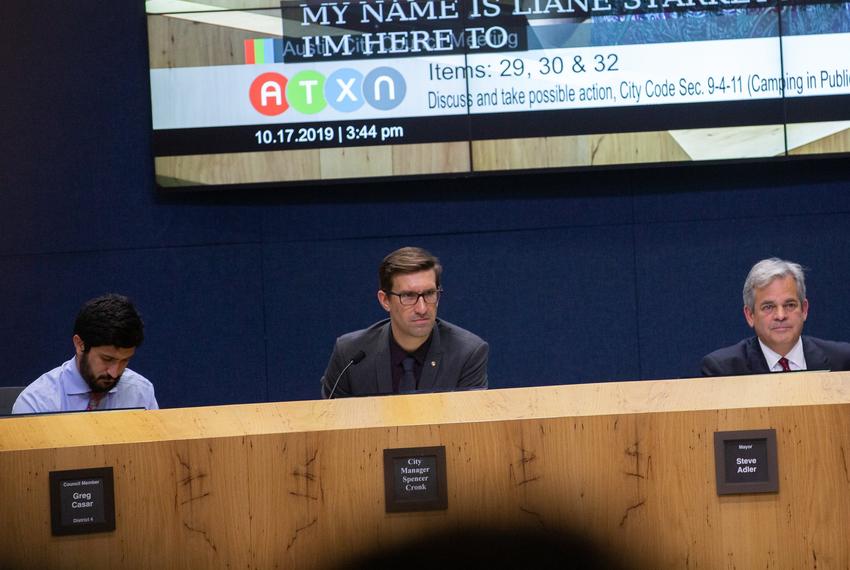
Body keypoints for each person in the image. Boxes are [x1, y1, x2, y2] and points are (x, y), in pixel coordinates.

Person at [321, 247, 488, 398]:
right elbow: (330, 425)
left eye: (429, 294)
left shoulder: (467, 353)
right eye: (408, 296)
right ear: (385, 300)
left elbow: (468, 428)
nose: (422, 308)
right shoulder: (350, 354)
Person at [701, 258, 850, 376]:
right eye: (768, 307)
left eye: (790, 305)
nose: (780, 316)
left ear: (804, 310)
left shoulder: (843, 361)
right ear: (750, 315)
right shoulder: (723, 370)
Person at [12, 294, 158, 414]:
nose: (114, 373)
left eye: (124, 361)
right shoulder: (37, 404)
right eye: (107, 359)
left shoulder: (141, 393)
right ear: (80, 344)